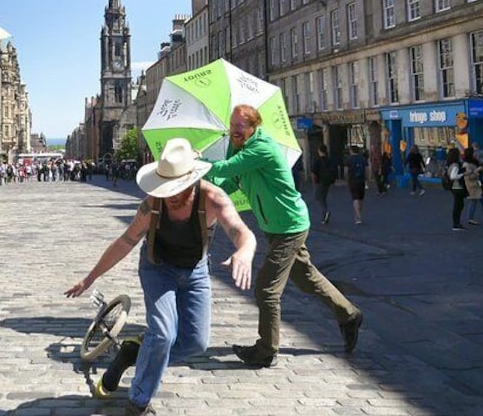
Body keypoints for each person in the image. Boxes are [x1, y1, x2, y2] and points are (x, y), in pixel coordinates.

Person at [65, 138, 256, 416]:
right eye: (166, 187)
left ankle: (133, 353)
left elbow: (240, 230)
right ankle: (138, 402)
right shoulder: (153, 204)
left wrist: (244, 252)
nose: (170, 195)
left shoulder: (213, 198)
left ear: (191, 179)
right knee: (164, 333)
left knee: (195, 343)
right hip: (158, 269)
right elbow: (126, 241)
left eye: (176, 188)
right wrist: (90, 277)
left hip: (195, 272)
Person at [205, 104, 363, 368]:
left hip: (289, 226)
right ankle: (349, 315)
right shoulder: (241, 147)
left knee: (266, 289)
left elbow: (225, 169)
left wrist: (195, 163)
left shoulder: (261, 148)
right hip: (275, 226)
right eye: (232, 125)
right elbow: (230, 182)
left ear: (253, 126)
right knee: (305, 278)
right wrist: (208, 189)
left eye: (240, 126)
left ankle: (266, 350)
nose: (234, 130)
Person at [310, 144, 336, 224]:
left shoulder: (317, 160)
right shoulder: (329, 159)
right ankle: (324, 216)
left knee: (318, 198)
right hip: (327, 181)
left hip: (319, 181)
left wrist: (313, 181)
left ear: (319, 151)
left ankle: (325, 212)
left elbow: (314, 172)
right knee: (323, 197)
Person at [446, 147, 468, 231]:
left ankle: (457, 223)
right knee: (458, 205)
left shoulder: (450, 164)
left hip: (454, 187)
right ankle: (456, 224)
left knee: (459, 205)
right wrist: (463, 174)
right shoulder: (455, 165)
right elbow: (453, 176)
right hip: (457, 187)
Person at [346, 145, 368, 225]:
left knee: (355, 198)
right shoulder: (363, 159)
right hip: (361, 181)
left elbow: (347, 171)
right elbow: (366, 170)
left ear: (351, 151)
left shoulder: (349, 159)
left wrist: (346, 180)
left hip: (353, 181)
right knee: (361, 198)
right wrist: (366, 180)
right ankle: (358, 214)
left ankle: (358, 217)